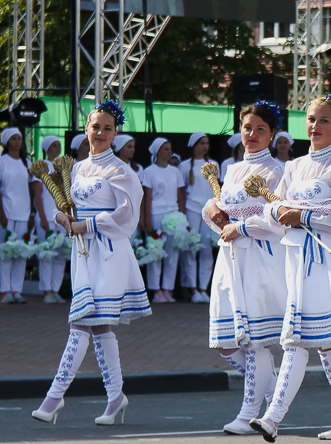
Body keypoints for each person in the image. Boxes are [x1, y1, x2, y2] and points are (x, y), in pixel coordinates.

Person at [249, 92, 331, 444]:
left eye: (324, 120)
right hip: (297, 259)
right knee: (326, 344)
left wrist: (305, 216)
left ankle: (272, 417)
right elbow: (272, 209)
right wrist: (279, 213)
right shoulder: (294, 166)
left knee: (299, 339)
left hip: (327, 260)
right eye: (311, 119)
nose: (315, 126)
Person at [30, 103, 151, 426]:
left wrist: (88, 225)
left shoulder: (121, 170)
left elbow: (127, 215)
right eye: (95, 126)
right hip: (83, 252)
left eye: (107, 128)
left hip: (109, 252)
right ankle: (115, 397)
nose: (100, 133)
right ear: (86, 129)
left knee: (81, 321)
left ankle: (54, 396)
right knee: (99, 326)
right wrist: (61, 218)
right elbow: (65, 205)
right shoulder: (78, 168)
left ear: (116, 133)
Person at [203, 102, 287, 434]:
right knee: (225, 341)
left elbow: (279, 219)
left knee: (255, 341)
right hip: (230, 258)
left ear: (273, 134)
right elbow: (223, 214)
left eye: (260, 129)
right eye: (247, 127)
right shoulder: (233, 169)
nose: (251, 135)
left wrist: (242, 227)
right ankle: (275, 390)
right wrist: (213, 211)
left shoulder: (277, 171)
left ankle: (249, 414)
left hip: (260, 259)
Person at [140, 137, 185, 303]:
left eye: (170, 148)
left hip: (173, 215)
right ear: (158, 151)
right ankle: (156, 289)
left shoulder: (176, 171)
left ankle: (168, 289)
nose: (169, 151)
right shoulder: (149, 171)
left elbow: (180, 196)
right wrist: (147, 220)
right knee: (156, 252)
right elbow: (147, 197)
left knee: (172, 254)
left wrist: (182, 216)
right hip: (156, 214)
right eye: (166, 148)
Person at [0, 128, 35, 304]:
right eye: (13, 139)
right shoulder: (0, 162)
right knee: (6, 252)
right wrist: (2, 213)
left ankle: (17, 290)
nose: (18, 142)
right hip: (7, 212)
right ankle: (5, 291)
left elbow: (31, 188)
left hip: (23, 212)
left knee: (21, 252)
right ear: (7, 142)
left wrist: (32, 211)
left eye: (19, 138)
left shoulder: (26, 162)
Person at [179, 132, 216, 303]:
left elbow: (216, 190)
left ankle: (203, 288)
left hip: (208, 211)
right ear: (194, 145)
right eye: (201, 143)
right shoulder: (184, 166)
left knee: (207, 250)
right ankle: (193, 289)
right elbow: (181, 191)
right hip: (191, 210)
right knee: (191, 249)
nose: (205, 146)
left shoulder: (213, 164)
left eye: (207, 143)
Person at [32, 136, 68, 304]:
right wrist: (42, 217)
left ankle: (56, 290)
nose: (57, 148)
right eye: (54, 145)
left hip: (62, 217)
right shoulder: (41, 166)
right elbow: (37, 194)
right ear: (47, 148)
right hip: (46, 216)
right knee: (47, 254)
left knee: (61, 255)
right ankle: (46, 291)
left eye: (59, 145)